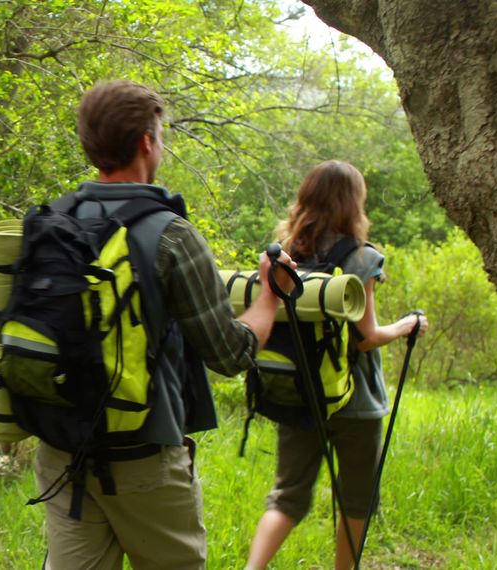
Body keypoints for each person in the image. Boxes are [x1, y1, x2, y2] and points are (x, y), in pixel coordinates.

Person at [36, 79, 294, 569]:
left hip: (61, 456)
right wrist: (270, 294)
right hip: (143, 460)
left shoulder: (54, 221)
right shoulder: (171, 235)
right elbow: (230, 353)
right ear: (146, 142)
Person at [244, 160, 429, 570]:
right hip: (356, 400)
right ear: (353, 203)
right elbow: (367, 337)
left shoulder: (285, 255)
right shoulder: (362, 258)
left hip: (299, 395)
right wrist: (407, 325)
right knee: (357, 497)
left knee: (287, 496)